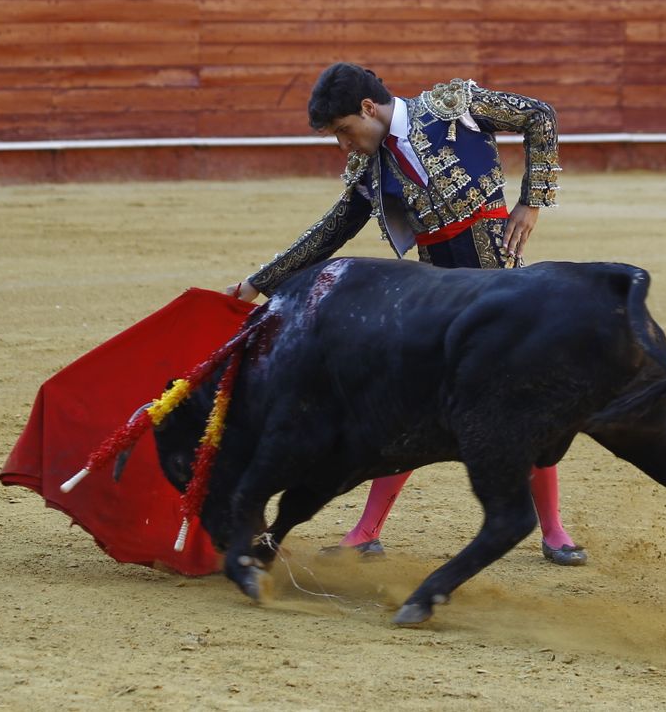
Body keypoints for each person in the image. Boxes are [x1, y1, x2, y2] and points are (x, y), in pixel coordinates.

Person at [224, 62, 585, 565]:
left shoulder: (452, 108)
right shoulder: (370, 168)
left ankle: (554, 530)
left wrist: (532, 200)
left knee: (520, 395)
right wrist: (255, 284)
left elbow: (539, 115)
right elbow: (330, 232)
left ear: (368, 108)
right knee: (413, 399)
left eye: (345, 130)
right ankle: (366, 531)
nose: (344, 145)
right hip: (435, 291)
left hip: (498, 282)